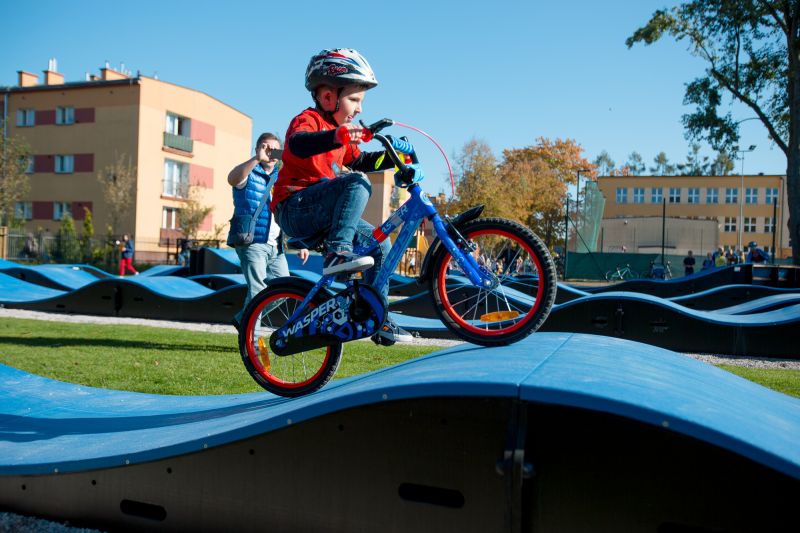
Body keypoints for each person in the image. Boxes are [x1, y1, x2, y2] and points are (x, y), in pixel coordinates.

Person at [270, 48, 413, 346]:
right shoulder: (308, 120)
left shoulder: (341, 134)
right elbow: (297, 146)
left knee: (380, 244)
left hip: (323, 213)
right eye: (355, 100)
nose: (360, 109)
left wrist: (395, 158)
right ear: (327, 97)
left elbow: (362, 162)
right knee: (355, 182)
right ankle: (338, 251)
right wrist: (335, 137)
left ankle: (377, 317)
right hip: (294, 208)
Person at [227, 132, 308, 331]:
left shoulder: (282, 179)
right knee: (258, 291)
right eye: (265, 147)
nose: (270, 152)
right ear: (257, 149)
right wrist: (256, 159)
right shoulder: (248, 173)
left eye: (274, 149)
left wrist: (301, 242)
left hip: (276, 245)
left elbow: (289, 212)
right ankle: (250, 343)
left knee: (283, 293)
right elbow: (232, 178)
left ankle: (243, 320)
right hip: (252, 242)